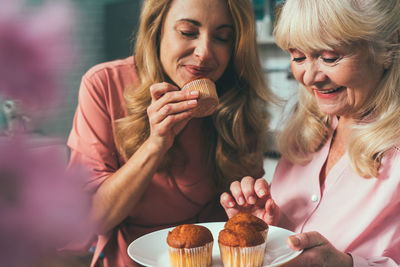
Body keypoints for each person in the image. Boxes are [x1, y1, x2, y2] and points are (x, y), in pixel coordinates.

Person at [66, 0, 273, 266]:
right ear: (157, 28)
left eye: (222, 37)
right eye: (188, 32)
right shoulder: (103, 85)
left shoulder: (237, 102)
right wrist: (155, 144)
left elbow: (244, 224)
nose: (204, 52)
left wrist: (252, 214)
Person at [221, 0, 400, 266]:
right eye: (298, 57)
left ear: (388, 48)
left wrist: (345, 264)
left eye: (330, 57)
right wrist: (264, 228)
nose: (310, 77)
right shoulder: (309, 132)